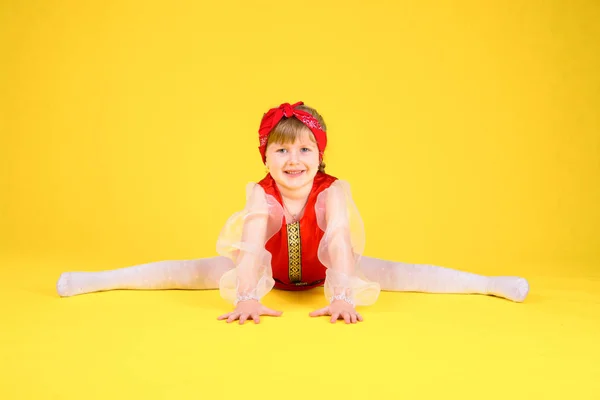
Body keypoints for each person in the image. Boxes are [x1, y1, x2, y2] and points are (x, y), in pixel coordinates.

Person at [56, 101, 530, 324]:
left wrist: (343, 294)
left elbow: (341, 239)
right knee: (182, 272)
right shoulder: (259, 191)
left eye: (304, 150)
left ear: (319, 155)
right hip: (267, 275)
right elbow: (251, 241)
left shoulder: (334, 189)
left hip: (331, 273)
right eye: (281, 152)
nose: (293, 161)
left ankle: (491, 285)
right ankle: (92, 279)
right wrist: (245, 296)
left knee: (409, 275)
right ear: (265, 156)